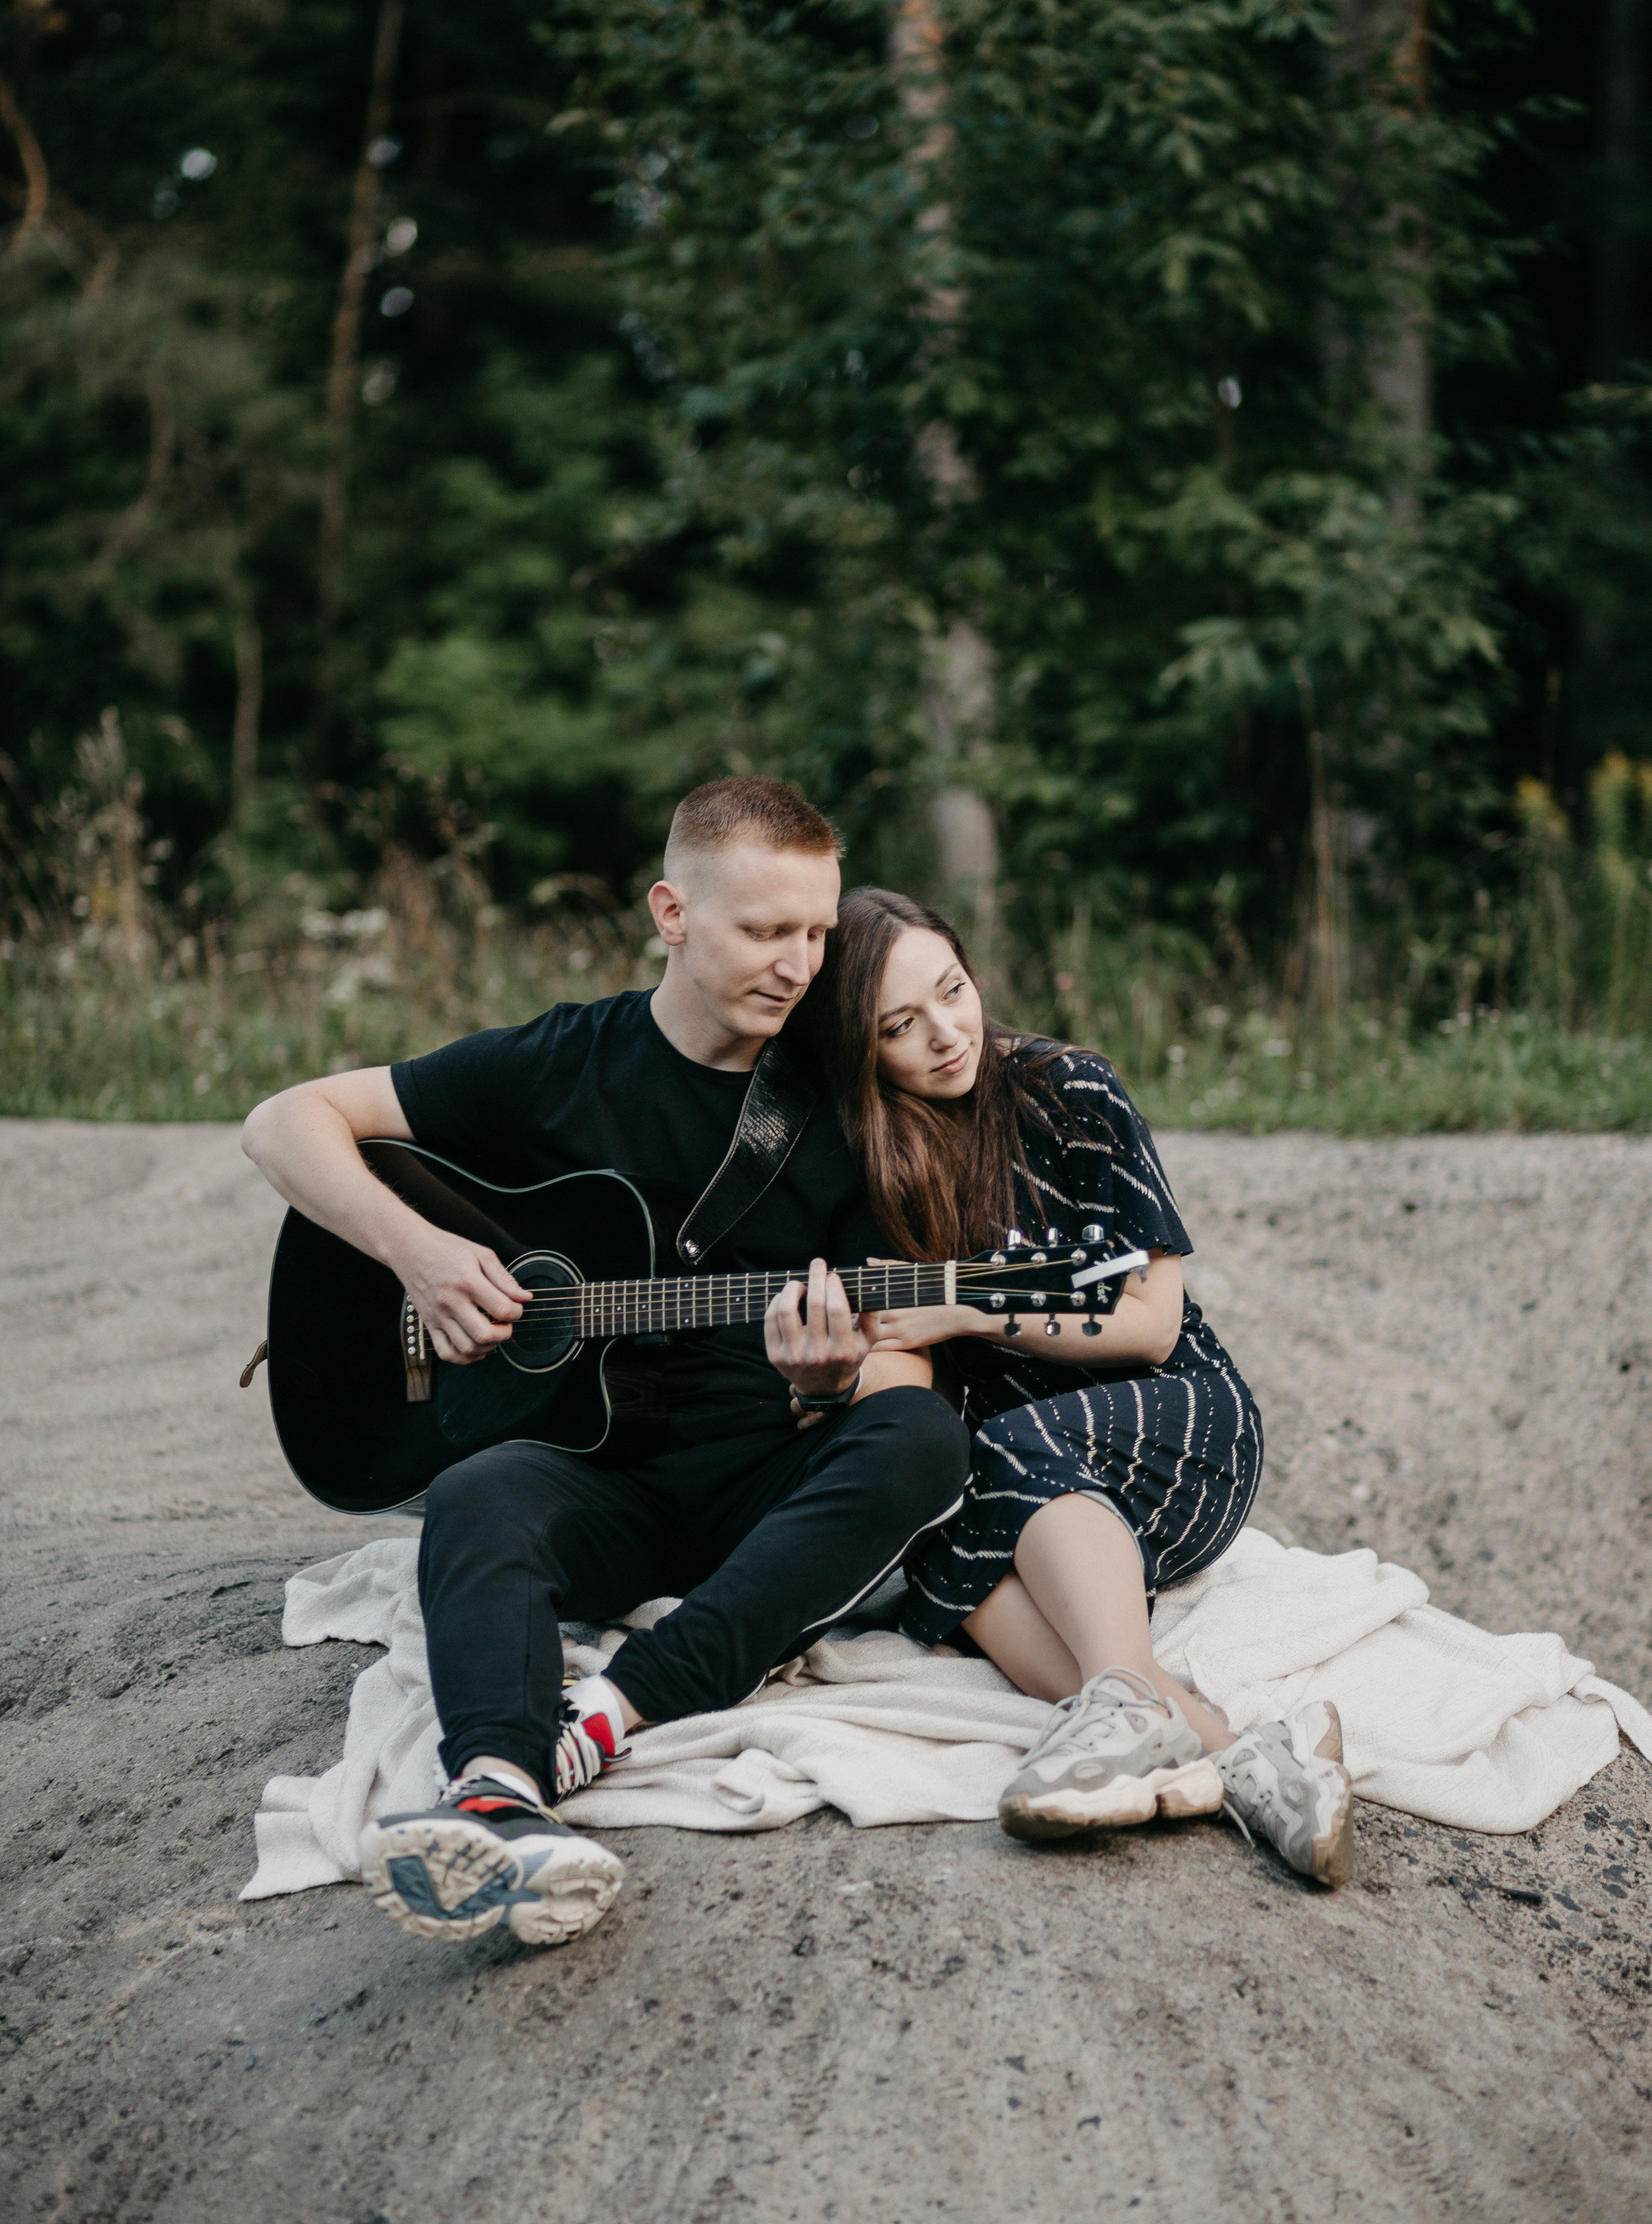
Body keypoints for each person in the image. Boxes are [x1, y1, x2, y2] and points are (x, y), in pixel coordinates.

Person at [241, 784, 968, 1948]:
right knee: (479, 1494)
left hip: (756, 1486)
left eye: (817, 932)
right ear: (672, 914)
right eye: (764, 930)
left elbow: (880, 1382)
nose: (798, 965)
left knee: (921, 1441)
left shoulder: (840, 1106)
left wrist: (826, 1385)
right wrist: (420, 1254)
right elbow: (285, 1122)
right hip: (595, 1487)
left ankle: (607, 1717)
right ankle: (494, 1791)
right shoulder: (562, 1061)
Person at [790, 886, 1355, 1887]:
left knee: (1009, 1444)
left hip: (1177, 1422)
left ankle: (1126, 1707)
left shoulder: (1069, 1090)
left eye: (951, 991)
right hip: (1032, 1486)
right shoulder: (873, 1158)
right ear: (858, 1052)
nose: (945, 1033)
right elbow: (897, 1373)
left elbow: (1151, 1322)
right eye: (898, 1027)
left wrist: (968, 1307)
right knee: (929, 1540)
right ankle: (1240, 1756)